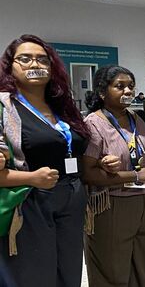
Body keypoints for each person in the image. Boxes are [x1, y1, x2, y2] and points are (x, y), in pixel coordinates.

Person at [0, 34, 91, 286]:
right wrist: (32, 178)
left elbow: (73, 145)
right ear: (10, 66)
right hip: (30, 198)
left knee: (70, 271)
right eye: (25, 59)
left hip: (71, 195)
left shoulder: (62, 104)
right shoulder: (4, 107)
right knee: (36, 273)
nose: (35, 65)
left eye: (43, 60)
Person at [81, 65, 145, 287]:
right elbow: (88, 173)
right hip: (113, 204)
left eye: (130, 86)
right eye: (119, 86)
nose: (128, 91)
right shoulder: (94, 123)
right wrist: (136, 176)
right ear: (102, 92)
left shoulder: (143, 119)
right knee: (112, 272)